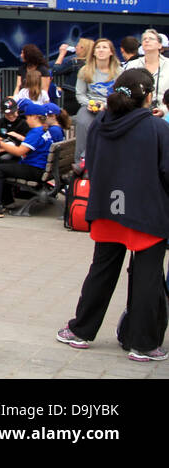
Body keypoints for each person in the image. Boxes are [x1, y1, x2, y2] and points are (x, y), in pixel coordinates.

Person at [58, 69, 169, 362]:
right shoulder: (158, 129)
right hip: (147, 213)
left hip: (107, 209)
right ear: (147, 96)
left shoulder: (99, 125)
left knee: (101, 271)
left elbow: (91, 165)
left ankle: (80, 331)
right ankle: (143, 344)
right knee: (147, 277)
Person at [0, 99, 61, 218]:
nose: (26, 120)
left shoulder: (35, 132)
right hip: (42, 168)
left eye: (27, 117)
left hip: (35, 170)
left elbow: (20, 151)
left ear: (35, 117)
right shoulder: (43, 131)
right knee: (3, 163)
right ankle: (7, 201)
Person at [75, 38, 119, 164]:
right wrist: (89, 104)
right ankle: (81, 162)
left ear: (111, 52)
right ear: (93, 52)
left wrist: (105, 105)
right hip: (89, 105)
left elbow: (119, 95)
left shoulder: (118, 72)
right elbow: (80, 94)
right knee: (82, 121)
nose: (101, 50)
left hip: (111, 106)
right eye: (98, 47)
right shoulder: (85, 70)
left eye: (104, 47)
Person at [123, 30, 167, 120]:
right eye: (144, 39)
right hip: (136, 113)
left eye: (151, 38)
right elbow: (124, 90)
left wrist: (163, 110)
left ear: (159, 45)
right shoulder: (132, 65)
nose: (147, 41)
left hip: (165, 114)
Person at [53, 38, 94, 117]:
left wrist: (62, 54)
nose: (76, 47)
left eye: (78, 45)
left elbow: (55, 71)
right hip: (88, 96)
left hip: (72, 97)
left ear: (83, 48)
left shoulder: (75, 63)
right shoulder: (93, 65)